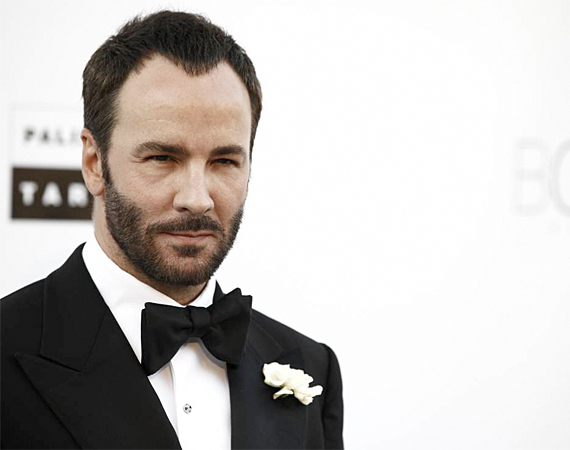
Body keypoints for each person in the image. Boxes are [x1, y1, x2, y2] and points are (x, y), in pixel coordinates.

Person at [1, 11, 343, 450]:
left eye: (224, 161)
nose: (197, 199)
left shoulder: (311, 366)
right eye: (162, 158)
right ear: (94, 163)